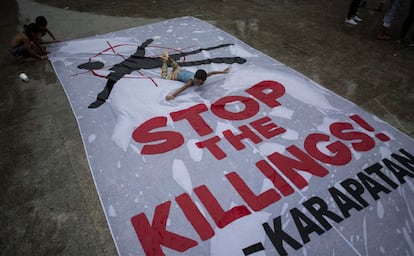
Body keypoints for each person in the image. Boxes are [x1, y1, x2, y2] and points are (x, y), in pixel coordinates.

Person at [160, 51, 230, 100]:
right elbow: (181, 89)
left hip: (181, 70)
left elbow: (212, 73)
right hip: (175, 74)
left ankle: (169, 57)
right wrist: (172, 96)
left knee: (176, 66)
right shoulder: (190, 82)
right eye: (198, 82)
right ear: (195, 79)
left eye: (202, 83)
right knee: (164, 76)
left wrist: (222, 72)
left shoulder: (203, 76)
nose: (199, 84)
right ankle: (165, 61)